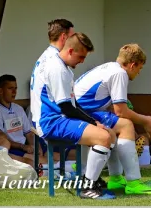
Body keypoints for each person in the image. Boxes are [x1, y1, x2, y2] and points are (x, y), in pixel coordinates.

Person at [33, 32, 115, 199]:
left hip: (60, 118)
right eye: (81, 56)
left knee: (109, 134)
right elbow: (66, 108)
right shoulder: (57, 69)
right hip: (51, 122)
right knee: (103, 137)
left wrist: (94, 122)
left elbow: (74, 104)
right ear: (70, 51)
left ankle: (91, 177)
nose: (83, 61)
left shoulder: (64, 67)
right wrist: (93, 122)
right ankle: (88, 187)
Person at [73, 44, 151, 194]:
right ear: (133, 65)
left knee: (117, 126)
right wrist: (146, 120)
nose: (139, 73)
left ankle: (116, 179)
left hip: (79, 111)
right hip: (81, 114)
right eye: (139, 69)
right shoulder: (120, 73)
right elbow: (121, 111)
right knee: (126, 125)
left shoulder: (110, 67)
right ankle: (133, 183)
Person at [0, 74, 50, 167]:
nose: (14, 92)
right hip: (11, 148)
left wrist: (37, 147)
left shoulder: (18, 108)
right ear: (0, 91)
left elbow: (29, 133)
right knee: (43, 160)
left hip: (25, 146)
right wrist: (22, 147)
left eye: (15, 88)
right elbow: (1, 138)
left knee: (52, 156)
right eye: (10, 88)